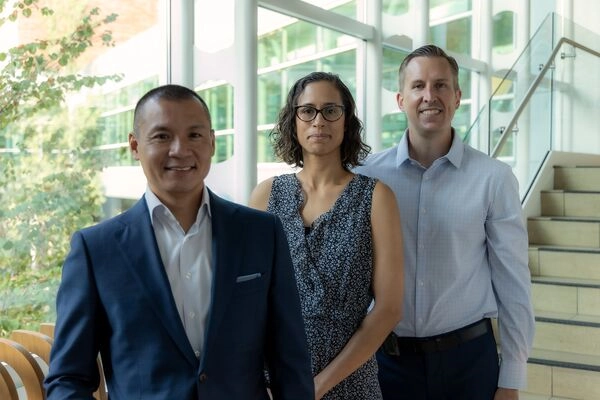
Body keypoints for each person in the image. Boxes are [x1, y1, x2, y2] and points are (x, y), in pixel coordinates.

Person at [44, 84, 314, 400]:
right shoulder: (96, 250)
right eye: (161, 136)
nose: (180, 150)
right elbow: (67, 379)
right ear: (134, 145)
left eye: (194, 135)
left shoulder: (261, 232)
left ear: (212, 142)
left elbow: (290, 362)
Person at [355, 45, 535, 400]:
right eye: (418, 85)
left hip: (468, 362)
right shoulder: (366, 176)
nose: (429, 96)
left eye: (440, 86)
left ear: (457, 97)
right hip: (385, 364)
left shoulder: (493, 178)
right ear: (400, 98)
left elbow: (513, 282)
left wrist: (511, 377)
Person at [249, 71, 404, 400]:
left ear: (346, 121)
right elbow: (249, 300)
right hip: (273, 384)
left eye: (331, 110)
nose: (319, 120)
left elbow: (389, 308)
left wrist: (317, 387)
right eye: (307, 111)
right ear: (294, 121)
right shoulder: (265, 196)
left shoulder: (376, 198)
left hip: (351, 383)